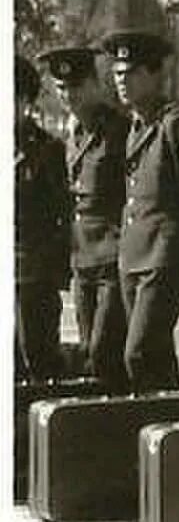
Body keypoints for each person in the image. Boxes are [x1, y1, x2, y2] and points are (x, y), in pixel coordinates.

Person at [101, 29, 179, 392]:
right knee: (156, 355)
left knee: (140, 352)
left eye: (130, 73)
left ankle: (165, 429)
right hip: (133, 257)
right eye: (117, 74)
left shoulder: (177, 125)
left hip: (164, 256)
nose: (121, 82)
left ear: (152, 75)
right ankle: (167, 436)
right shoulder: (135, 126)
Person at [42, 46, 131, 390]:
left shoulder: (119, 130)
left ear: (95, 83)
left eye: (76, 86)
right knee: (89, 353)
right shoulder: (71, 134)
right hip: (82, 259)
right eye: (62, 88)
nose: (70, 95)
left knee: (104, 349)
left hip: (111, 256)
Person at [13, 55, 72, 382]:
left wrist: (51, 270)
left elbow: (63, 216)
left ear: (23, 101)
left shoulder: (47, 151)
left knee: (35, 358)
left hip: (32, 278)